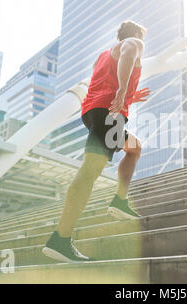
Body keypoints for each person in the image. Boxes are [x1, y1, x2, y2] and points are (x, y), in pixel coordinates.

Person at [42, 20, 150, 262]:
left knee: (134, 148)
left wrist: (130, 94)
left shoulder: (101, 56)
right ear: (135, 33)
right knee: (90, 171)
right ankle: (60, 239)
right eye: (143, 37)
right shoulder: (134, 42)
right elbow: (129, 55)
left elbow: (102, 83)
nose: (144, 43)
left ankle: (119, 201)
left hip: (93, 111)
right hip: (108, 112)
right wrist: (123, 91)